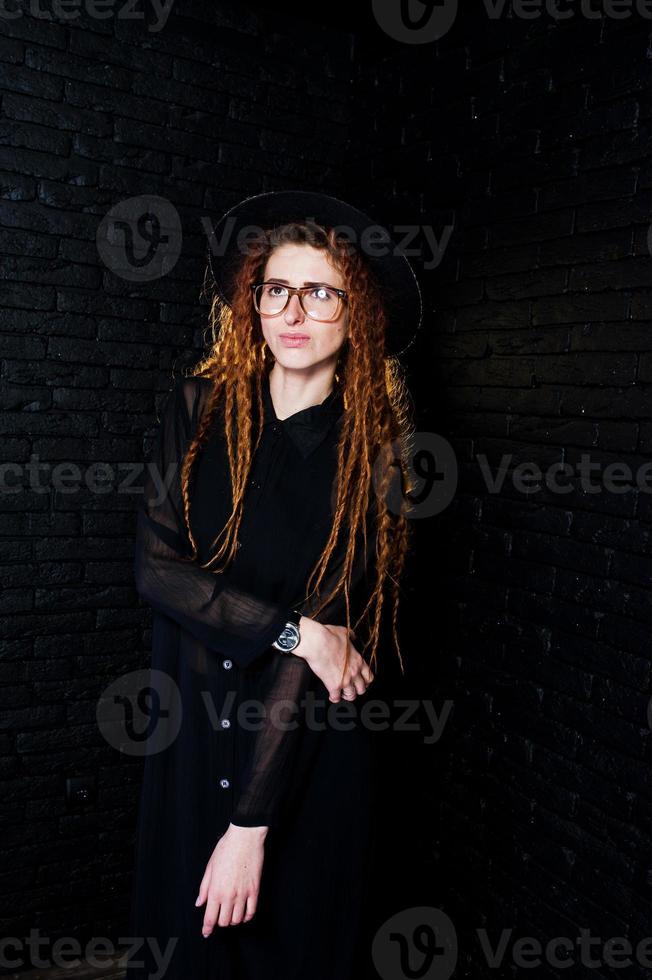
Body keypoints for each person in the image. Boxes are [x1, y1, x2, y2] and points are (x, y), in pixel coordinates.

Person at [125, 190, 422, 980]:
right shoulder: (196, 409)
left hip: (302, 755)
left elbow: (323, 637)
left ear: (356, 313)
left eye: (321, 291)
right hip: (190, 739)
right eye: (276, 289)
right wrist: (297, 630)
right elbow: (156, 570)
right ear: (252, 303)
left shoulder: (378, 455)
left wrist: (251, 826)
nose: (294, 310)